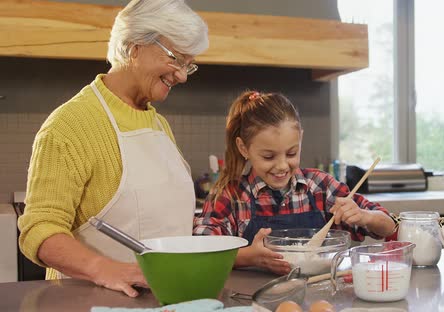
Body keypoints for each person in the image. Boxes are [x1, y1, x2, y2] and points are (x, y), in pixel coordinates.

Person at [18, 0, 208, 297]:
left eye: (188, 65)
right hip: (88, 300)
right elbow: (39, 229)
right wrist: (103, 268)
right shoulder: (68, 126)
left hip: (163, 297)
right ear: (135, 47)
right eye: (175, 60)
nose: (182, 75)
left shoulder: (159, 126)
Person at [193, 91, 396, 275]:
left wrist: (364, 216)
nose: (282, 166)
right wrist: (248, 257)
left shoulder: (321, 187)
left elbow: (388, 226)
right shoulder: (230, 195)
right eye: (268, 156)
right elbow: (201, 252)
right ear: (244, 148)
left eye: (291, 153)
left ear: (300, 140)